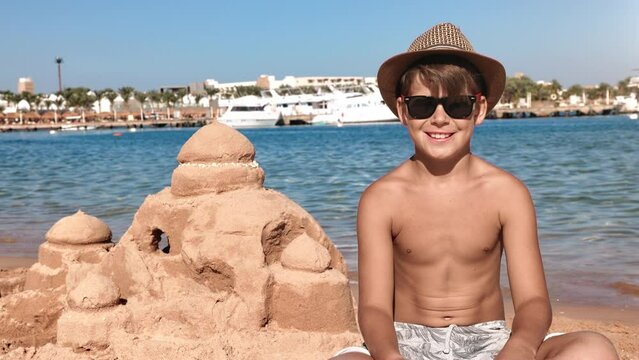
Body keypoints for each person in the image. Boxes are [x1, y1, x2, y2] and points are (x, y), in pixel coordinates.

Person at [331, 23, 618, 360]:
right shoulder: (381, 198)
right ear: (403, 110)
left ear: (479, 109)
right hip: (405, 342)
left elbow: (533, 301)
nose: (440, 119)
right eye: (423, 105)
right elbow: (375, 309)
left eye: (457, 106)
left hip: (490, 341)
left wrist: (520, 348)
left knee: (593, 348)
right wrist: (390, 355)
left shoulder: (507, 193)